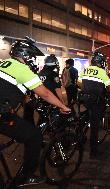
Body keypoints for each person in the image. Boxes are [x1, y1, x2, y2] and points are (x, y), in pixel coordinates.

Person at [0, 37, 70, 186]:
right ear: (25, 55)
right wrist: (62, 106)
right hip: (2, 115)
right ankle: (27, 176)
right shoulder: (22, 69)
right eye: (32, 56)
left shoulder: (4, 64)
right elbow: (45, 93)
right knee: (35, 136)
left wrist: (32, 103)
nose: (33, 60)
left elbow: (19, 91)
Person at [80, 52, 110, 158]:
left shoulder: (85, 69)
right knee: (95, 126)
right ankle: (93, 151)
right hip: (95, 101)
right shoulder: (101, 72)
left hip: (84, 98)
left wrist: (87, 88)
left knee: (85, 117)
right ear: (100, 63)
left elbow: (79, 82)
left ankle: (80, 136)